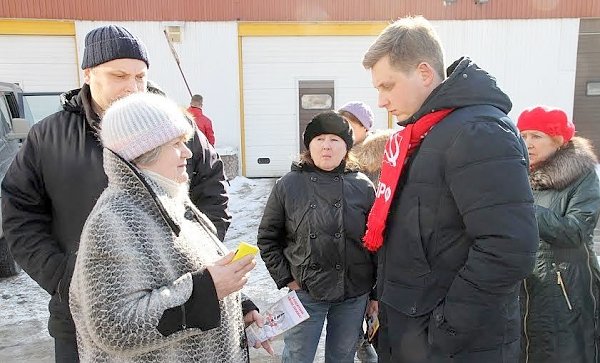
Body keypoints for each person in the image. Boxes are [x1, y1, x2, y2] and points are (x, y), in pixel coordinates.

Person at [0, 25, 230, 362]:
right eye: (119, 75)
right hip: (80, 319)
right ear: (89, 73)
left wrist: (191, 264)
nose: (133, 87)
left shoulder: (177, 125)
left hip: (174, 311)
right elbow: (19, 213)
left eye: (140, 75)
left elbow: (213, 193)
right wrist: (66, 278)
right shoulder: (48, 136)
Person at [361, 16, 538, 362]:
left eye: (387, 86)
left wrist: (443, 330)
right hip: (414, 333)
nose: (381, 100)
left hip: (455, 345)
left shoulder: (478, 131)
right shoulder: (426, 133)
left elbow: (508, 247)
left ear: (425, 73)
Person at [69, 92, 270, 362]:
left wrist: (238, 303)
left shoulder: (172, 199)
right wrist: (208, 291)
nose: (187, 152)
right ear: (142, 151)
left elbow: (194, 273)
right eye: (176, 143)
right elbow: (113, 326)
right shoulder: (114, 220)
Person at [257, 111, 377, 363]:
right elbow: (268, 238)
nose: (326, 146)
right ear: (308, 145)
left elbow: (376, 243)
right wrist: (288, 279)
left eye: (334, 140)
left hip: (353, 293)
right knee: (297, 357)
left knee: (343, 357)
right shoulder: (288, 185)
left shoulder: (363, 186)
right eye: (320, 139)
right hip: (306, 291)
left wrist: (374, 293)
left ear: (346, 147)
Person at [516, 106, 600, 363]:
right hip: (523, 287)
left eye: (536, 136)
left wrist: (523, 209)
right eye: (524, 135)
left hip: (566, 291)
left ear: (558, 140)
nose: (528, 143)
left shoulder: (582, 176)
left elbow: (575, 231)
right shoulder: (517, 175)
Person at [338, 100, 381, 363]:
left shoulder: (379, 157)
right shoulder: (334, 155)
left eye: (353, 125)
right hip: (347, 250)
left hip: (374, 248)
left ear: (365, 128)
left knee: (374, 315)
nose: (348, 130)